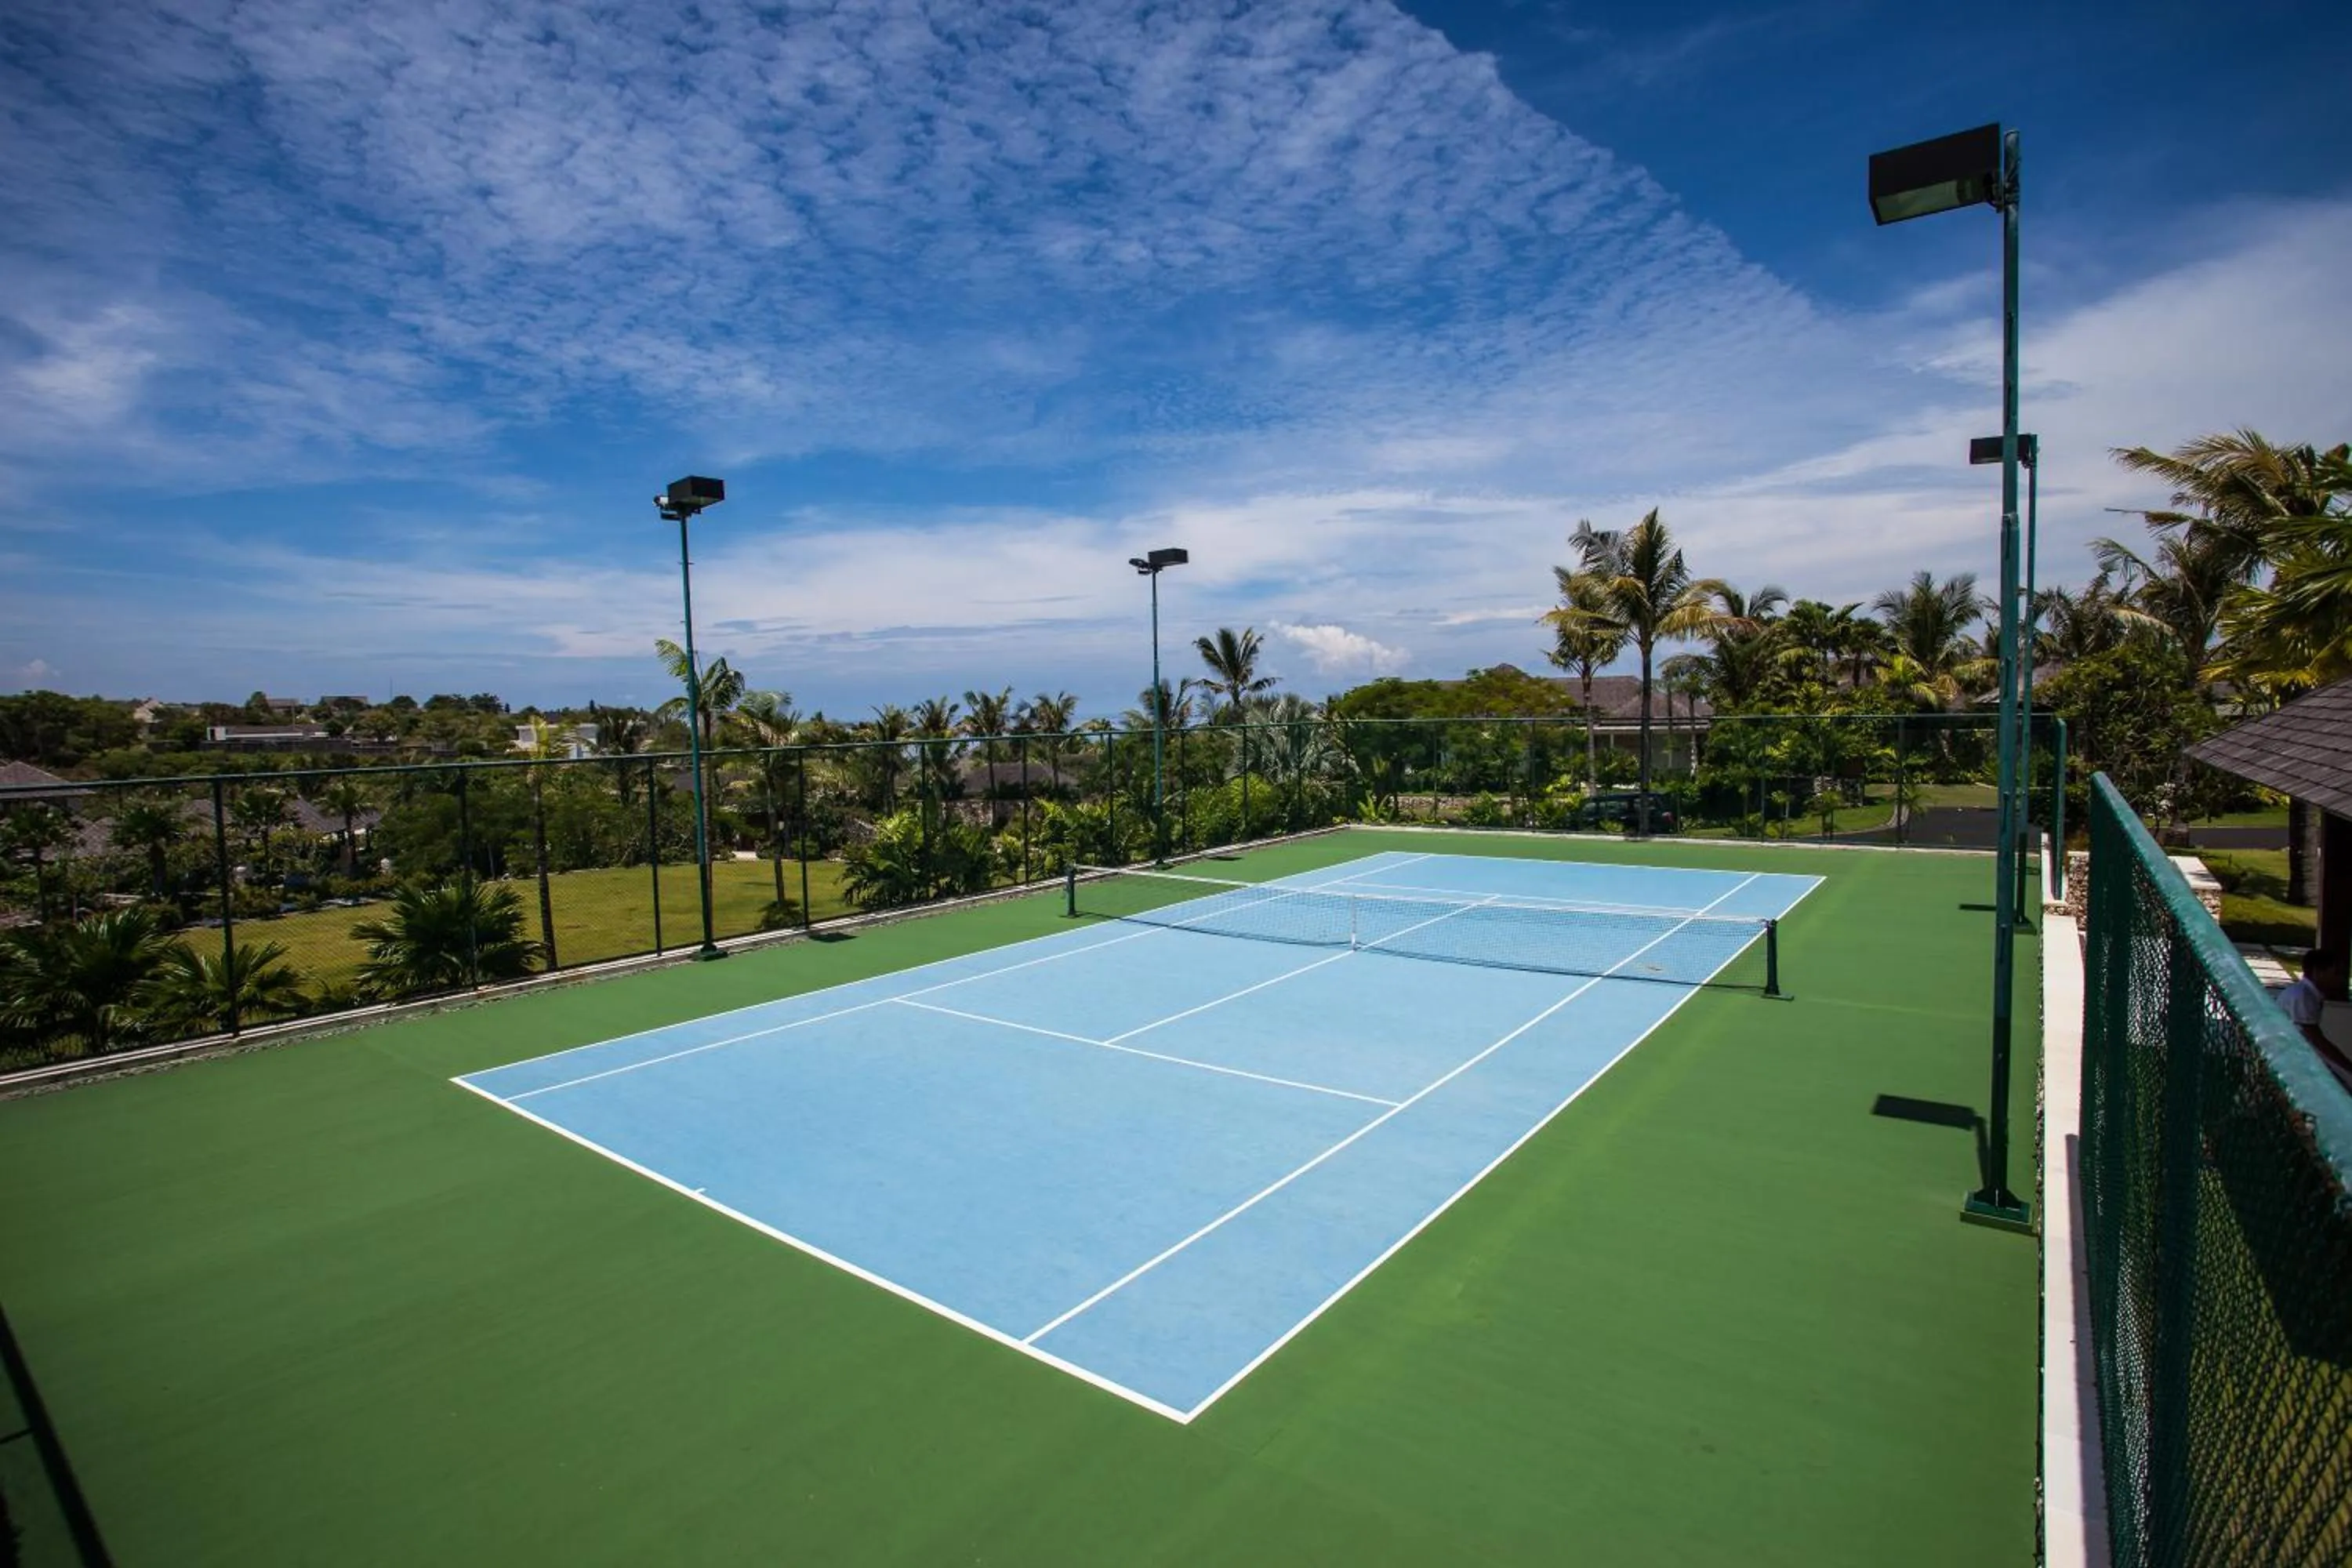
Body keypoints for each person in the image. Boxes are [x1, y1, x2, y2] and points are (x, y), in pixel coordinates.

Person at [2281, 949, 2352, 1091]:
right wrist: (2347, 1066)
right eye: (2335, 973)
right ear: (2317, 972)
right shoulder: (2302, 996)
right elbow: (2316, 1040)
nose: (2339, 979)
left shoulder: (2308, 994)